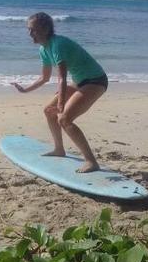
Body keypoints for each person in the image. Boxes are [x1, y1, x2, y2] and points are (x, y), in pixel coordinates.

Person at [12, 12, 108, 173]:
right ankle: (59, 149)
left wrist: (61, 104)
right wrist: (24, 90)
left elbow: (62, 77)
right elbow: (44, 78)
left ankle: (91, 161)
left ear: (45, 29)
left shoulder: (58, 44)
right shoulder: (44, 49)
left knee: (64, 119)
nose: (30, 34)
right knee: (48, 111)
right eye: (28, 30)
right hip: (80, 81)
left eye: (33, 30)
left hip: (95, 81)